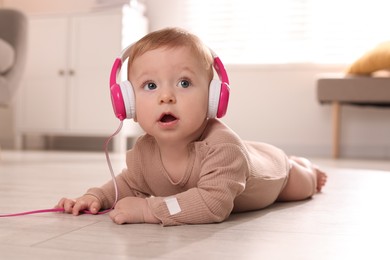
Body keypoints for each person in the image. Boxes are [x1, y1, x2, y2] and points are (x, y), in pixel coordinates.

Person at [55, 27, 327, 226]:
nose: (166, 96)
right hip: (245, 155)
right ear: (128, 104)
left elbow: (213, 204)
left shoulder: (223, 148)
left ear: (213, 98)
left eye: (184, 83)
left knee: (301, 187)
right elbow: (128, 184)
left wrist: (149, 210)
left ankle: (303, 166)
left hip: (274, 173)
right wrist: (95, 197)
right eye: (150, 86)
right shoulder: (144, 151)